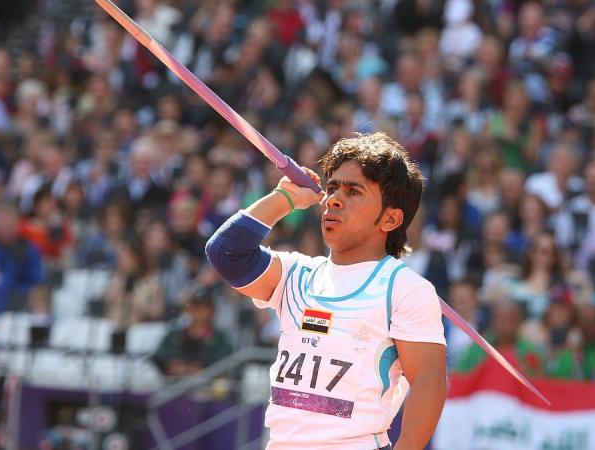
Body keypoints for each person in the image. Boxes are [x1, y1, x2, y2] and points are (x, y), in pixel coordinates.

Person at [205, 132, 446, 450]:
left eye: (353, 191)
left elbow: (429, 384)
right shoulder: (295, 273)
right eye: (332, 187)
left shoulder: (406, 288)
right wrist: (285, 199)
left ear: (390, 218)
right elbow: (226, 251)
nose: (333, 199)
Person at [152, 286, 232, 377]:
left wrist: (204, 367)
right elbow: (159, 357)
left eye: (204, 306)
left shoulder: (220, 338)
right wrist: (172, 365)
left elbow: (228, 362)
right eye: (194, 306)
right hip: (174, 385)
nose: (198, 311)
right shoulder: (174, 336)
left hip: (207, 386)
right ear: (188, 308)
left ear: (211, 310)